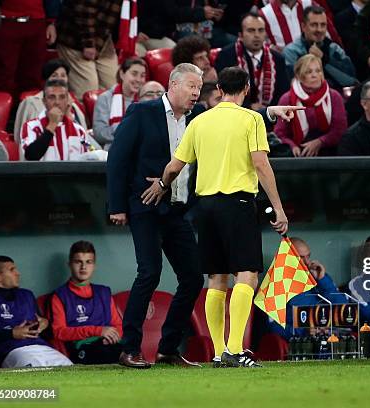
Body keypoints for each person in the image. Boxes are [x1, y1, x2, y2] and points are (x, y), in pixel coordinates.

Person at [142, 66, 289, 368]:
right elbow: (260, 164)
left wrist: (161, 185)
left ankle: (220, 351)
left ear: (219, 89)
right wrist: (278, 206)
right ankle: (235, 350)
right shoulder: (251, 119)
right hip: (237, 203)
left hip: (205, 207)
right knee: (247, 274)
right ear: (246, 88)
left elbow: (175, 165)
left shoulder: (199, 121)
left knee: (216, 278)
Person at [107, 63, 206, 369]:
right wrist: (117, 206)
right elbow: (118, 159)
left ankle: (167, 349)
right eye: (191, 86)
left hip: (178, 210)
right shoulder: (142, 112)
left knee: (192, 278)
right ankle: (130, 349)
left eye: (199, 88)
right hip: (145, 207)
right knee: (149, 272)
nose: (195, 93)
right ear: (173, 84)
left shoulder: (197, 118)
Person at [0, 256, 73, 368]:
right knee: (37, 375)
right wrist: (12, 333)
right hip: (12, 350)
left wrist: (45, 324)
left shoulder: (26, 295)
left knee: (71, 369)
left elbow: (46, 330)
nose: (18, 273)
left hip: (42, 347)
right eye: (11, 270)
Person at [49, 241, 124, 364]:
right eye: (78, 262)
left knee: (132, 352)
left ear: (94, 265)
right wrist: (98, 331)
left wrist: (112, 337)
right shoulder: (59, 296)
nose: (83, 267)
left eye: (88, 262)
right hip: (82, 348)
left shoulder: (103, 292)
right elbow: (59, 332)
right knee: (108, 354)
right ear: (69, 264)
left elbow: (118, 325)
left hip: (110, 344)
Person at [266, 237, 343, 340]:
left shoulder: (319, 276)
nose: (307, 262)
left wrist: (322, 280)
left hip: (331, 338)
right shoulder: (276, 284)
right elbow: (273, 326)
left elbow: (344, 307)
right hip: (301, 344)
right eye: (301, 258)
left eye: (308, 256)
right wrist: (302, 331)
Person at [274, 54, 347, 157]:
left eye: (318, 71)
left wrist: (320, 142)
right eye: (309, 72)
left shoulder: (334, 97)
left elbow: (340, 130)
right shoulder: (287, 99)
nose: (315, 75)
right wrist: (292, 146)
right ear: (299, 76)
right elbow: (280, 133)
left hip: (329, 151)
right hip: (297, 154)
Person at [214, 12, 289, 110]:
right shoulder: (226, 56)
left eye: (260, 30)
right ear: (240, 35)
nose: (257, 35)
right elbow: (224, 90)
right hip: (236, 112)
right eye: (251, 30)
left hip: (270, 115)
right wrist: (248, 107)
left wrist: (269, 110)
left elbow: (283, 92)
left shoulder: (277, 59)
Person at [14, 59, 87, 151]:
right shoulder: (31, 104)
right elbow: (20, 140)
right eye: (54, 75)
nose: (59, 79)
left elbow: (86, 143)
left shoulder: (75, 107)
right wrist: (52, 124)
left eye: (63, 76)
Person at [55, 0, 122, 100]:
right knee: (87, 91)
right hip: (75, 37)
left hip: (104, 38)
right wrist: (88, 43)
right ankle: (81, 114)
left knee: (113, 87)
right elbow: (84, 10)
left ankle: (106, 114)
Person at [0, 0, 58, 95]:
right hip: (4, 22)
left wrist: (51, 22)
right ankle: (0, 107)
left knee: (33, 77)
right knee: (1, 76)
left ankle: (29, 108)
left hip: (36, 23)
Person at [21, 79, 98, 162]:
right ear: (44, 101)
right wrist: (52, 124)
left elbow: (92, 151)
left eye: (62, 97)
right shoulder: (31, 127)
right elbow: (31, 156)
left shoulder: (79, 131)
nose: (57, 102)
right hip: (43, 175)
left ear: (67, 101)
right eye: (52, 97)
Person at [283, 5, 357, 89]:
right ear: (303, 26)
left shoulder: (334, 49)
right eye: (314, 25)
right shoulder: (291, 52)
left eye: (323, 25)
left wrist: (324, 59)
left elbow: (351, 80)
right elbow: (295, 83)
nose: (319, 29)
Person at [93, 58, 147, 151]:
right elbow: (99, 133)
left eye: (142, 76)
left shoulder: (145, 99)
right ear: (122, 74)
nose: (138, 79)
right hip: (113, 151)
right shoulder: (105, 98)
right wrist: (127, 132)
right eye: (134, 74)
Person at [259, 0, 342, 51]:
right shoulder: (265, 14)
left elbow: (333, 38)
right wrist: (271, 50)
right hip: (286, 72)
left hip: (317, 69)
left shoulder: (310, 4)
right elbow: (260, 47)